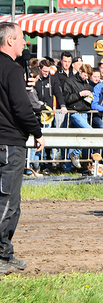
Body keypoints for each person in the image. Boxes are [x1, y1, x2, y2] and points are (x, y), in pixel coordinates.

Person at [0, 22, 45, 273]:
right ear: (9, 41)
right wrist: (37, 132)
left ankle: (5, 254)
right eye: (21, 39)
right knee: (8, 201)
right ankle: (1, 255)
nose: (24, 44)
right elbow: (20, 107)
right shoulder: (11, 69)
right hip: (9, 143)